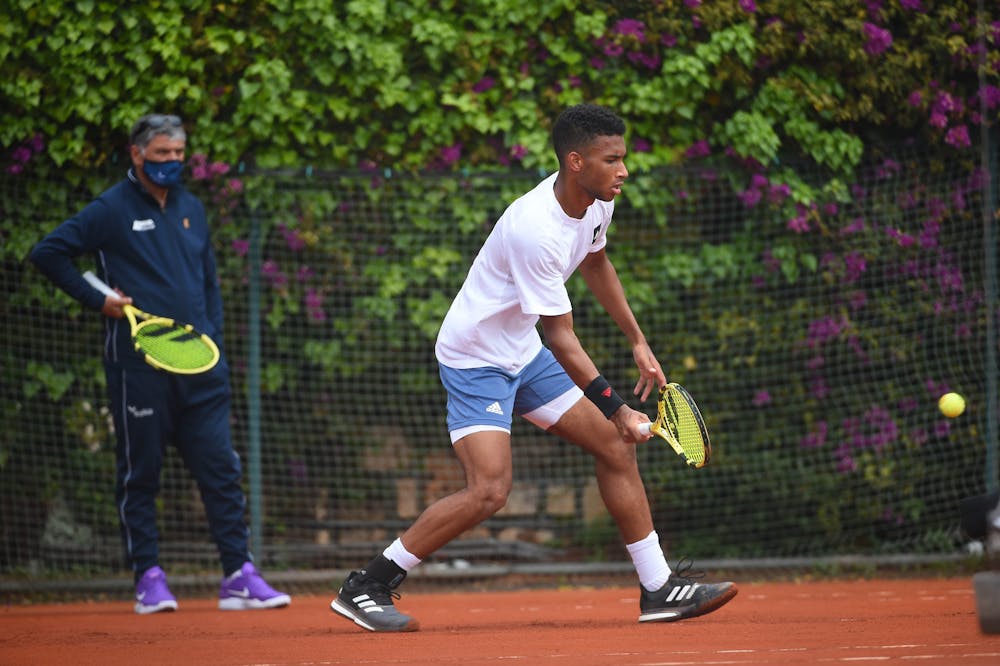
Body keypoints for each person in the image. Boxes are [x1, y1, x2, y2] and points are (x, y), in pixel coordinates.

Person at [330, 103, 736, 632]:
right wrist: (616, 408)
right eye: (612, 160)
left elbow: (596, 262)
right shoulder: (534, 229)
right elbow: (561, 336)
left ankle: (657, 588)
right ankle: (367, 584)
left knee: (614, 448)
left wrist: (637, 339)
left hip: (520, 350)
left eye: (623, 158)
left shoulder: (595, 204)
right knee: (490, 490)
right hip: (477, 357)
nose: (624, 171)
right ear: (575, 161)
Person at [29, 113, 290, 615]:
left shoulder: (192, 207)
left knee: (220, 468)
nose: (172, 162)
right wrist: (97, 300)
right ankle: (148, 577)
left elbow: (209, 280)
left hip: (202, 369)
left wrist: (211, 339)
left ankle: (238, 575)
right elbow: (49, 253)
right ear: (137, 154)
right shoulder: (110, 208)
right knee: (141, 473)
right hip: (138, 367)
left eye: (178, 154)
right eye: (162, 154)